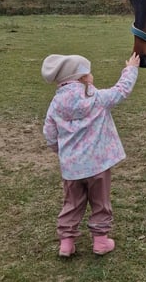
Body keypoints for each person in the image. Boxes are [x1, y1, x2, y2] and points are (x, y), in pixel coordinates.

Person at [42, 52, 140, 257]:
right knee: (100, 203)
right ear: (82, 78)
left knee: (71, 204)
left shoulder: (56, 104)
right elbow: (121, 91)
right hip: (98, 166)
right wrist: (131, 68)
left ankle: (66, 244)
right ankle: (101, 242)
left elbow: (49, 132)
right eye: (89, 72)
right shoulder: (96, 98)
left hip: (71, 168)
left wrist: (60, 151)